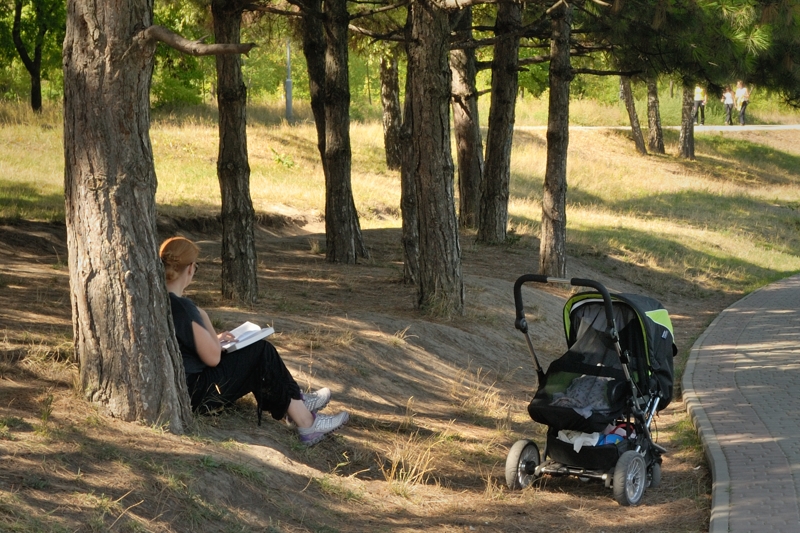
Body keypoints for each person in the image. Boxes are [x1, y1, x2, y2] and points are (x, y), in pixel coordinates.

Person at [159, 236, 349, 446]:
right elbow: (212, 358)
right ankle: (306, 422)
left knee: (258, 353)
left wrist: (215, 337)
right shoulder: (185, 308)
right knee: (260, 351)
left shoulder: (160, 301)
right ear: (190, 269)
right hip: (196, 394)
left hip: (183, 391)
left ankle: (296, 404)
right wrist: (203, 316)